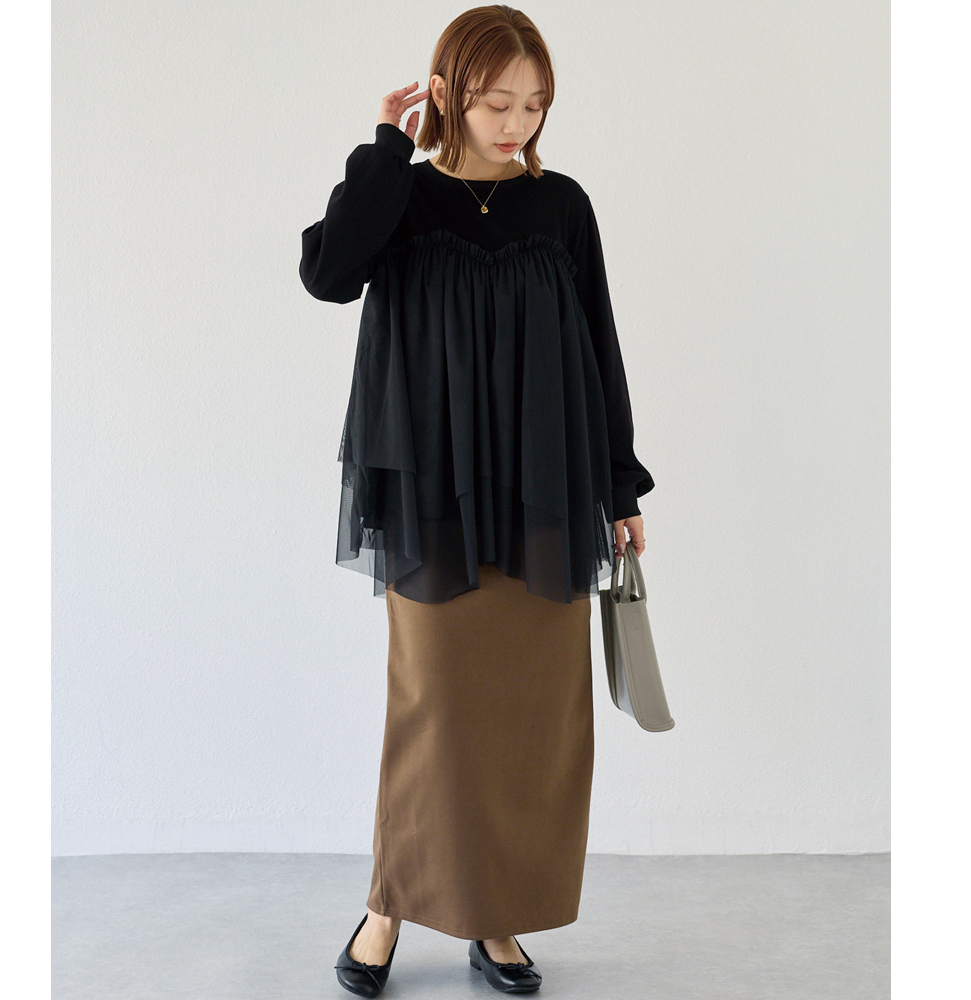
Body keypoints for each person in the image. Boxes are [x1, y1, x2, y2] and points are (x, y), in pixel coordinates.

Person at [299, 6, 653, 995]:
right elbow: (327, 273)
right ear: (449, 92)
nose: (516, 123)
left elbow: (598, 344)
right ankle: (387, 907)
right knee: (435, 715)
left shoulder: (561, 206)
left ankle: (496, 918)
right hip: (433, 492)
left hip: (548, 490)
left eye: (534, 105)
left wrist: (620, 484)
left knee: (532, 720)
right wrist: (386, 146)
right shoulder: (404, 199)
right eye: (498, 101)